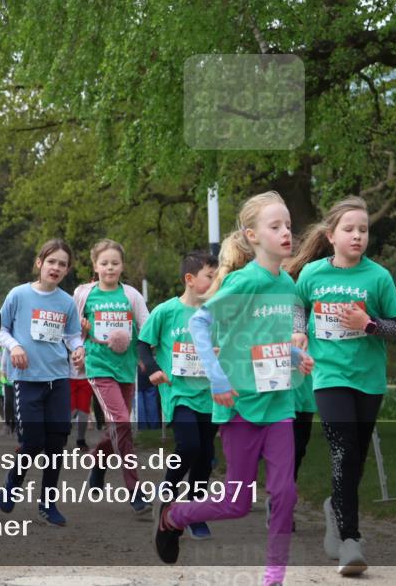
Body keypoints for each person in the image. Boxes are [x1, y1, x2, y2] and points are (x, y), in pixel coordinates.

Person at [153, 191, 314, 586]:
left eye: (288, 226)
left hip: (278, 405)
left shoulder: (289, 286)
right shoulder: (243, 282)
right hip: (241, 407)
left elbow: (270, 339)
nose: (285, 233)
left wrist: (296, 360)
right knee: (236, 503)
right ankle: (173, 516)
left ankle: (273, 577)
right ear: (253, 235)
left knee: (285, 493)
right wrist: (219, 379)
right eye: (275, 227)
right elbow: (199, 326)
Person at [288, 196, 396, 575]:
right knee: (343, 452)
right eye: (349, 229)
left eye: (363, 229)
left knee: (355, 458)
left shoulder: (378, 277)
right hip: (328, 376)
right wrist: (297, 332)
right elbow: (297, 305)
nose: (358, 236)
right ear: (331, 235)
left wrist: (368, 324)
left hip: (369, 380)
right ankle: (350, 540)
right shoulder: (312, 275)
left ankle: (334, 510)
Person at [0, 239, 84, 526]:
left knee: (57, 445)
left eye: (62, 264)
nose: (56, 268)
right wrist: (14, 347)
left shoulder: (66, 301)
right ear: (39, 263)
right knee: (33, 442)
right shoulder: (19, 295)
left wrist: (79, 348)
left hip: (58, 378)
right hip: (27, 379)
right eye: (51, 262)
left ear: (67, 269)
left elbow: (72, 335)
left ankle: (48, 502)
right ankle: (14, 479)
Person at [137, 250, 218, 540]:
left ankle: (194, 513)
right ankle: (167, 493)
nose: (216, 281)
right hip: (178, 393)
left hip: (210, 396)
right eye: (211, 276)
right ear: (190, 279)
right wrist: (153, 370)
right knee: (189, 446)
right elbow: (143, 345)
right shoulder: (166, 311)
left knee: (205, 456)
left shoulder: (216, 312)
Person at [73, 239, 151, 516]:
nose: (110, 268)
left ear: (122, 266)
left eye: (115, 263)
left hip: (126, 368)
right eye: (104, 263)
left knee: (118, 427)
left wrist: (147, 357)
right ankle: (135, 490)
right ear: (95, 265)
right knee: (121, 422)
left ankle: (97, 462)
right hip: (98, 367)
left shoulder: (130, 295)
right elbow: (72, 331)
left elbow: (147, 326)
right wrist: (81, 334)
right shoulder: (84, 294)